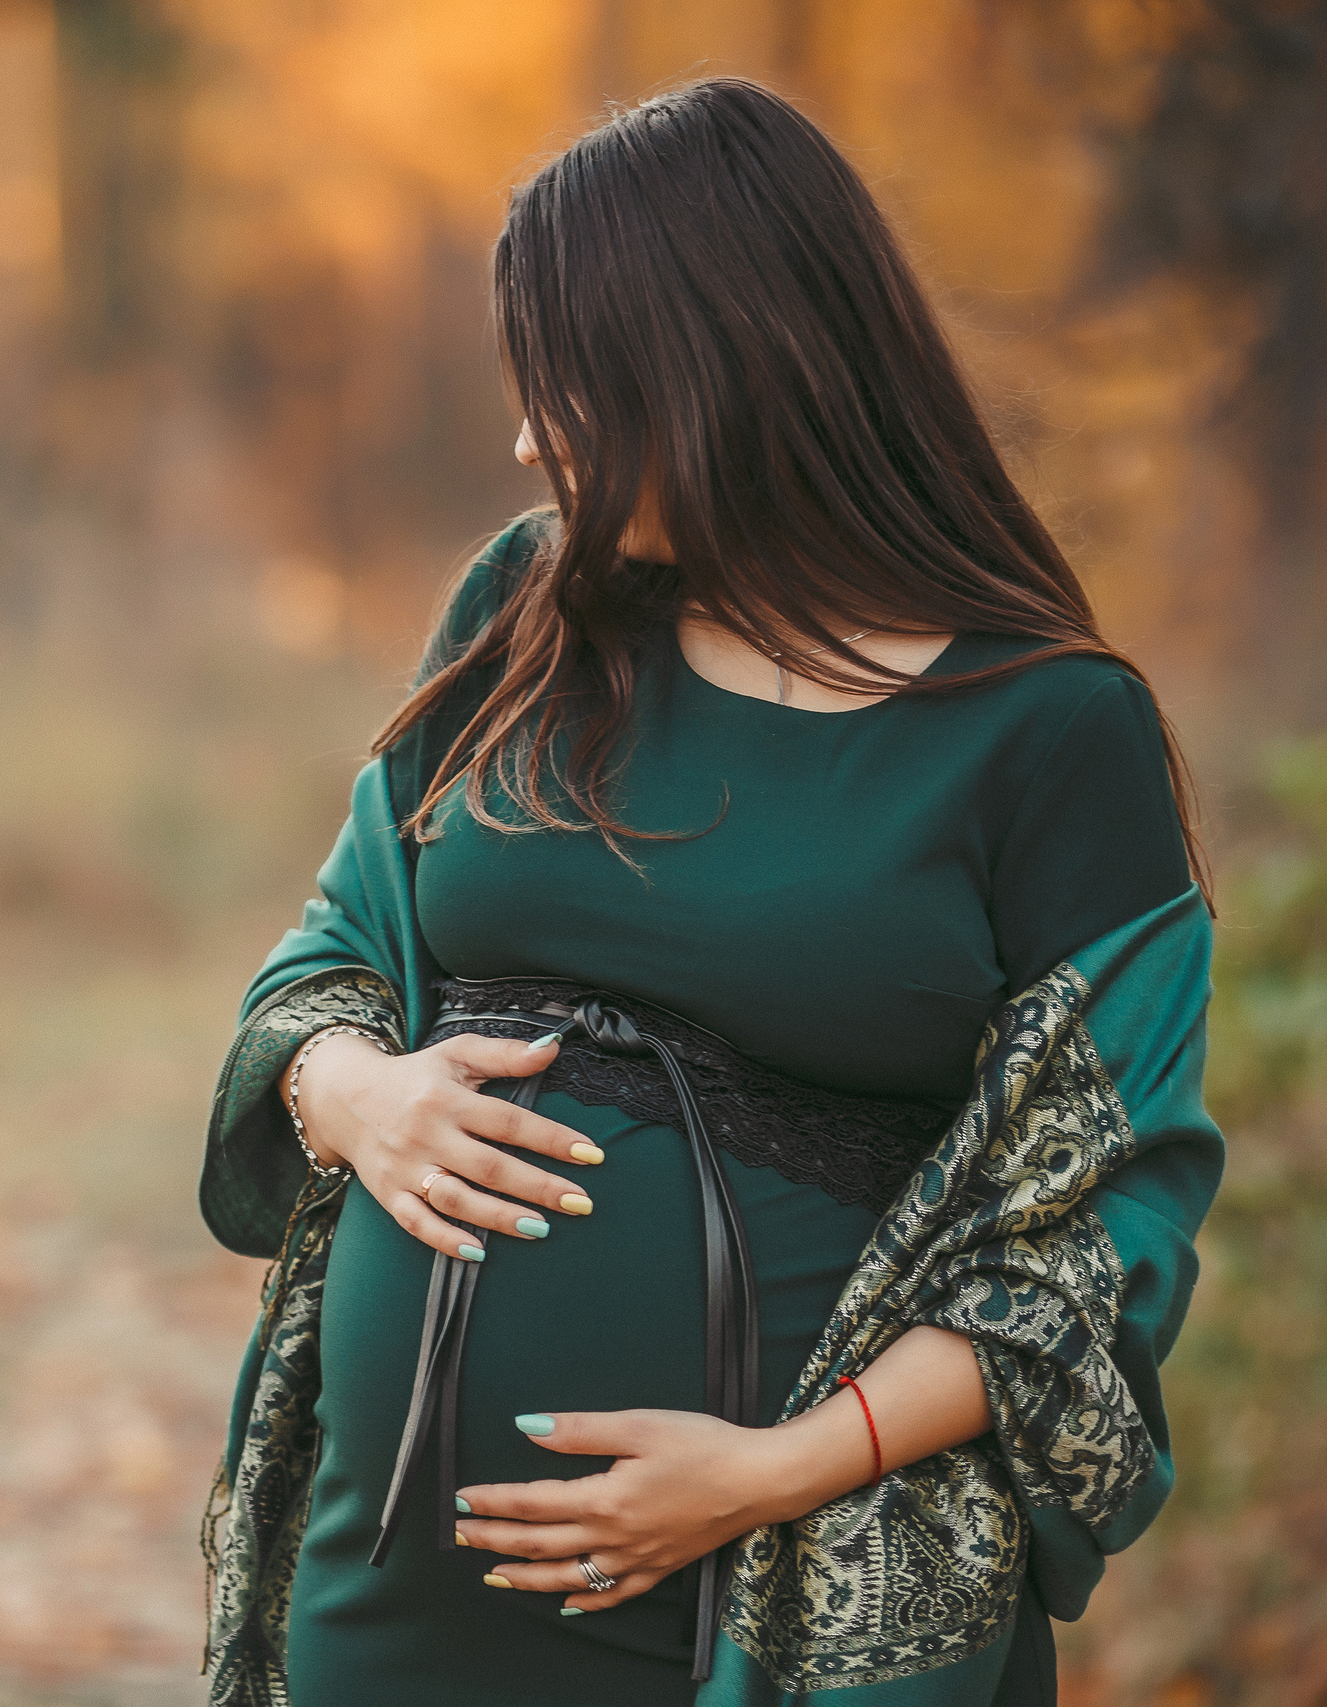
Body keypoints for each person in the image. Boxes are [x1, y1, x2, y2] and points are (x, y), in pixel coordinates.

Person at [196, 78, 1223, 1707]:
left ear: (720, 376)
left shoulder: (1048, 729)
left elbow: (1112, 1225)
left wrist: (779, 1470)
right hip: (393, 1580)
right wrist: (362, 1097)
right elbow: (328, 954)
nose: (530, 440)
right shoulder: (529, 608)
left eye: (569, 391)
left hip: (782, 1584)